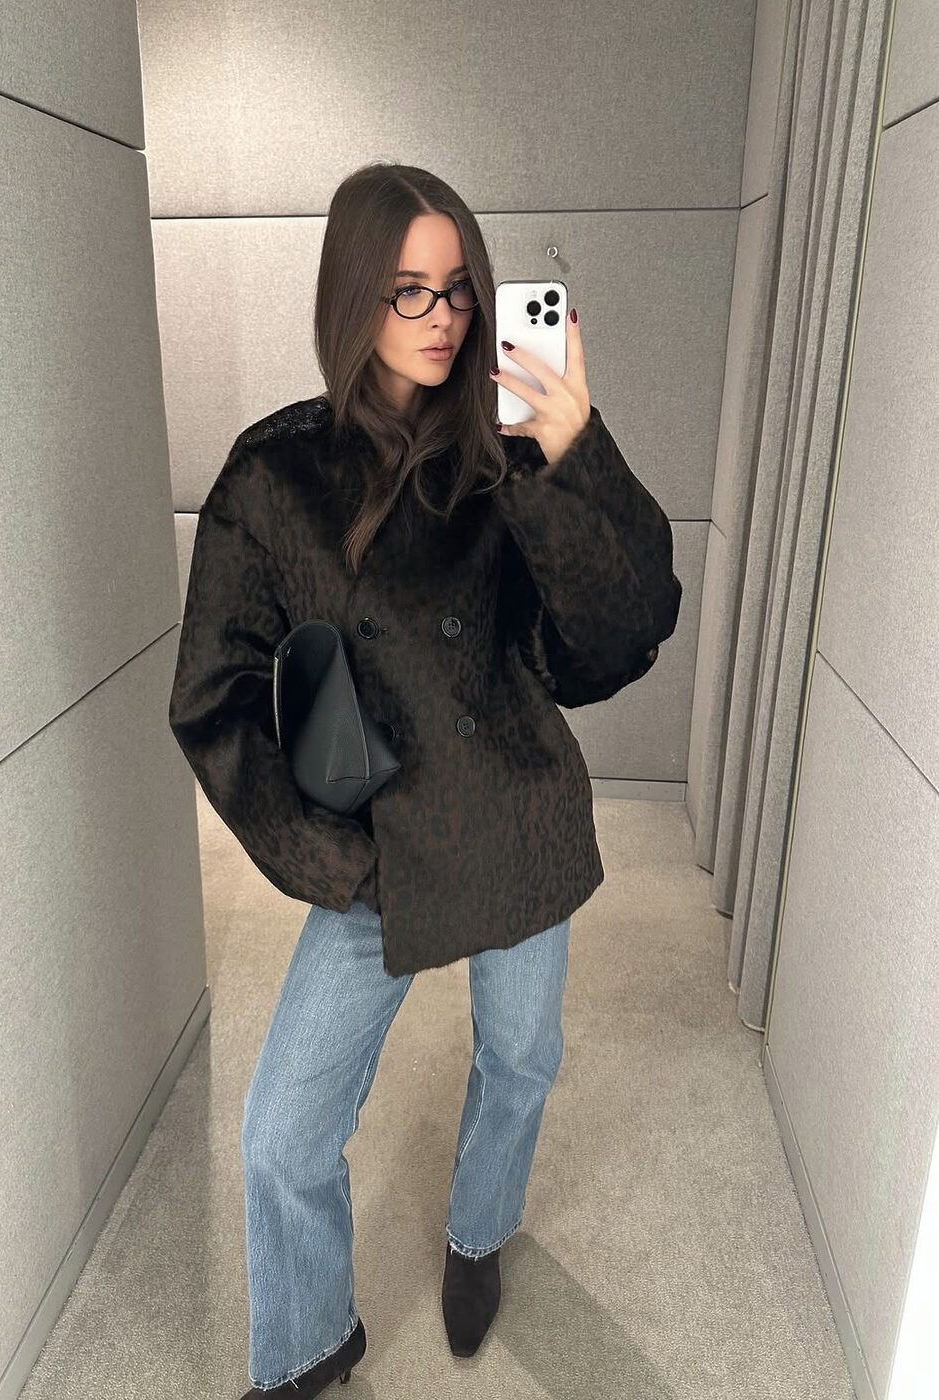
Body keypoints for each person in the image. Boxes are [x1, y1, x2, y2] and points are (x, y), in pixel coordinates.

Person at [168, 162, 682, 1397]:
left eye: (458, 288)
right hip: (379, 850)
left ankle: (475, 1229)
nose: (442, 316)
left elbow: (617, 636)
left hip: (513, 811)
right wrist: (331, 857)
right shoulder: (273, 476)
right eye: (407, 289)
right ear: (353, 295)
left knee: (521, 1056)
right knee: (279, 1132)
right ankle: (308, 1344)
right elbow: (216, 695)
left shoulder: (510, 450)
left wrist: (574, 455)